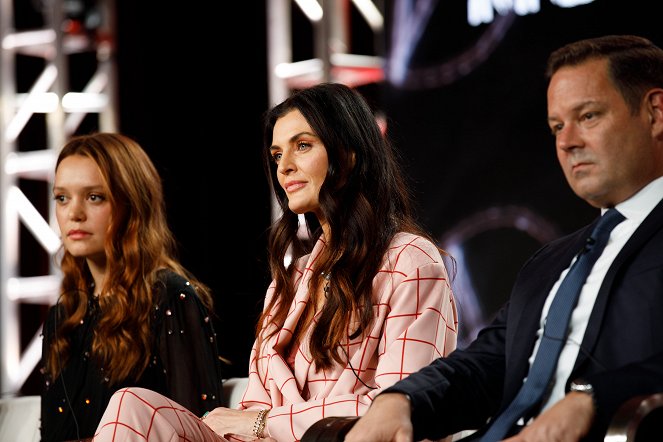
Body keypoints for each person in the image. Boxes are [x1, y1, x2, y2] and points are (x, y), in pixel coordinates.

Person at [333, 34, 663, 442]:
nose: (567, 141)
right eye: (557, 126)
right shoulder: (551, 263)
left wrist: (593, 400)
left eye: (589, 116)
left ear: (655, 112)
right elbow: (486, 361)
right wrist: (400, 400)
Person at [90, 82, 459, 442]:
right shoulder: (290, 282)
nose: (284, 168)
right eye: (278, 155)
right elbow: (251, 410)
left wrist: (265, 422)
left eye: (302, 146)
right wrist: (252, 423)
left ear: (349, 154)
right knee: (132, 405)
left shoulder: (410, 261)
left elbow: (399, 409)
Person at [41, 132, 225, 442]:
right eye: (62, 197)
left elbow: (197, 429)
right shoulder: (62, 316)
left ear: (132, 203)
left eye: (94, 196)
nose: (74, 213)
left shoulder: (170, 297)